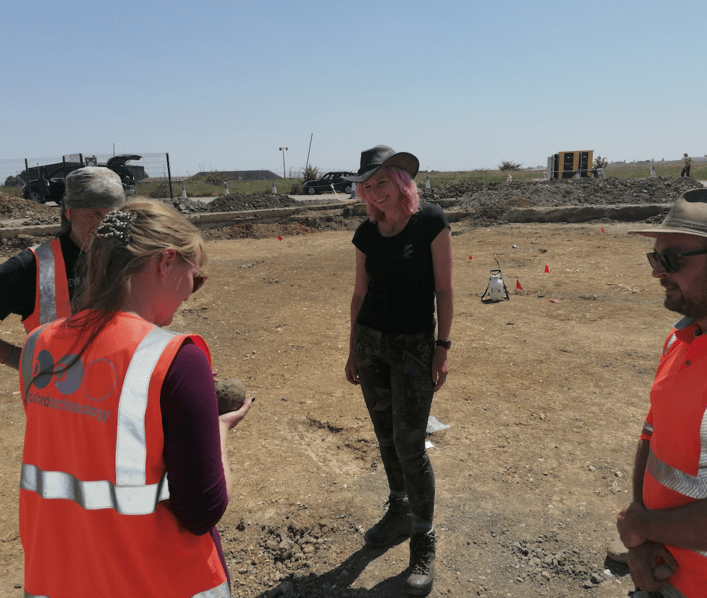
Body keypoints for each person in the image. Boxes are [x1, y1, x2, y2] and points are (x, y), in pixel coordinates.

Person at [18, 200, 253, 597]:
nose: (190, 295)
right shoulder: (177, 359)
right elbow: (202, 510)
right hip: (155, 582)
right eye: (193, 278)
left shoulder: (38, 346)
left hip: (60, 580)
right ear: (165, 262)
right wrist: (218, 430)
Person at [344, 146, 453, 596]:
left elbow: (445, 290)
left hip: (413, 349)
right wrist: (352, 349)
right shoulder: (366, 231)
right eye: (367, 187)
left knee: (411, 445)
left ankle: (423, 537)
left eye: (381, 183)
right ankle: (399, 510)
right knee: (386, 437)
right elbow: (359, 293)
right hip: (371, 346)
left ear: (401, 181)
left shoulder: (430, 220)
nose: (374, 193)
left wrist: (442, 347)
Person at [617, 188, 707, 597]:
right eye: (655, 258)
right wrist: (641, 535)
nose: (657, 273)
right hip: (662, 571)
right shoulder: (680, 338)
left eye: (670, 259)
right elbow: (650, 436)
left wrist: (643, 527)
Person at [0, 167, 124, 370]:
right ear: (69, 213)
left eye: (112, 215)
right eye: (94, 214)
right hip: (59, 396)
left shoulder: (128, 257)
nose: (103, 224)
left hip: (118, 389)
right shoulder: (35, 265)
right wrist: (18, 358)